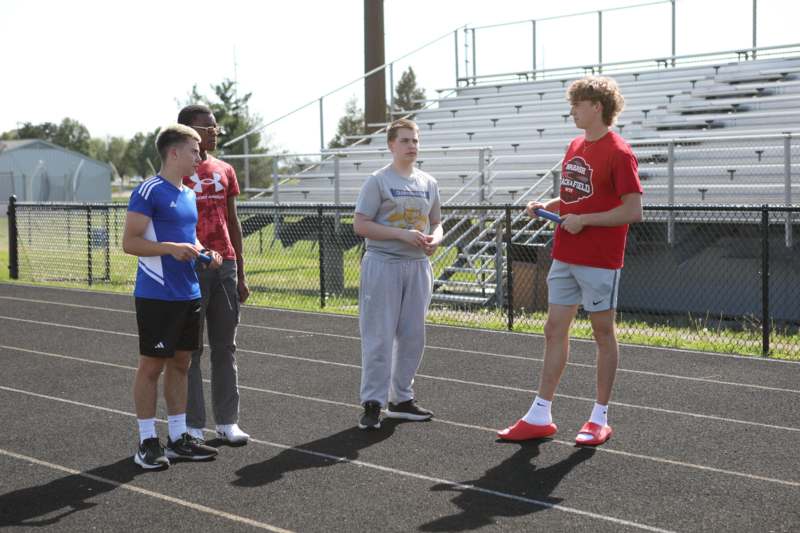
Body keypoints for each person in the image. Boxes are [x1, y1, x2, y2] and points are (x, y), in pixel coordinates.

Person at [498, 76, 643, 446]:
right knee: (553, 329)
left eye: (578, 104)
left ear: (597, 106)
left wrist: (586, 221)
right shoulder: (575, 145)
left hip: (599, 259)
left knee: (602, 333)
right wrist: (550, 206)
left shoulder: (619, 151)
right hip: (565, 253)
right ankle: (540, 413)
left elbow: (632, 210)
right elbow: (578, 198)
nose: (572, 111)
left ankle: (599, 417)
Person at [123, 124, 222, 469]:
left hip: (188, 292)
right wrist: (170, 249)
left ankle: (178, 437)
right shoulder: (148, 191)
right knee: (151, 367)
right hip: (157, 294)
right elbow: (129, 242)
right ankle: (147, 441)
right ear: (174, 152)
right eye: (194, 150)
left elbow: (187, 238)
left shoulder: (189, 193)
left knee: (182, 364)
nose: (200, 156)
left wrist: (203, 252)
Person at [353, 118, 443, 430]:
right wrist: (401, 235)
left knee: (412, 336)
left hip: (418, 266)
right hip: (383, 264)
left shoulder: (428, 182)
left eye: (415, 140)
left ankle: (401, 399)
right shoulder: (378, 181)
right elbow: (361, 224)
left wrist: (437, 239)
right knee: (378, 335)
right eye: (405, 141)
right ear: (391, 145)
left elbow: (437, 222)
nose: (411, 146)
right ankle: (373, 402)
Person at [177, 104, 251, 444]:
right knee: (191, 351)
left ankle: (227, 421)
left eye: (216, 126)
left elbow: (232, 221)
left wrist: (241, 273)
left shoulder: (225, 169)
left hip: (226, 266)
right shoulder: (176, 171)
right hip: (189, 266)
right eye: (208, 127)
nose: (215, 131)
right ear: (189, 131)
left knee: (226, 347)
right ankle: (193, 425)